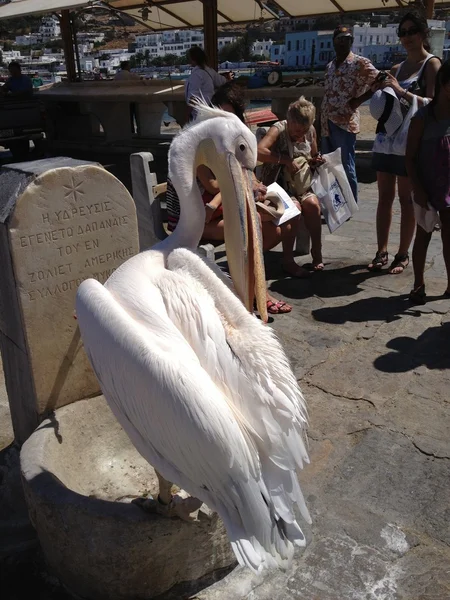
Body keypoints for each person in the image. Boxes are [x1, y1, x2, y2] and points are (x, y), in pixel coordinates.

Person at [167, 82, 304, 314]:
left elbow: (236, 179)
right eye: (221, 112)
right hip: (195, 218)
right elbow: (212, 185)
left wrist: (253, 186)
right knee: (252, 229)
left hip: (216, 209)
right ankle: (256, 292)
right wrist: (244, 186)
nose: (225, 120)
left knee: (283, 217)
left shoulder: (228, 141)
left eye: (230, 114)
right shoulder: (199, 142)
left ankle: (266, 274)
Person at [368, 12, 440, 275]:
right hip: (387, 139)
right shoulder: (396, 68)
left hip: (411, 144)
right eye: (402, 32)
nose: (406, 37)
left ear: (422, 33)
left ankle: (402, 253)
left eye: (411, 31)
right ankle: (381, 250)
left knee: (406, 199)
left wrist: (401, 91)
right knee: (384, 197)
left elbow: (435, 104)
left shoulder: (432, 65)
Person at [257, 96, 325, 272]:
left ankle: (317, 253)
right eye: (296, 131)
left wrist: (315, 160)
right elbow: (259, 152)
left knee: (313, 205)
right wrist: (284, 160)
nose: (299, 135)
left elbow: (313, 154)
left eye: (303, 131)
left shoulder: (310, 131)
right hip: (278, 183)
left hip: (301, 183)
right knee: (294, 209)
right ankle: (288, 261)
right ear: (289, 121)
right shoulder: (279, 128)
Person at [406, 60, 450, 304]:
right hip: (427, 185)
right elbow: (410, 158)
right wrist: (418, 189)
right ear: (444, 85)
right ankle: (418, 284)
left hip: (449, 186)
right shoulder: (423, 118)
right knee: (423, 236)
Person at [321, 25, 379, 203]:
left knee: (346, 165)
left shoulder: (359, 63)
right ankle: (336, 203)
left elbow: (380, 80)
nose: (344, 43)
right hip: (326, 121)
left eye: (348, 39)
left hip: (345, 123)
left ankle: (351, 202)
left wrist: (359, 100)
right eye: (340, 39)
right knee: (329, 165)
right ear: (334, 42)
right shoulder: (330, 65)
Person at [185, 46, 232, 120]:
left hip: (200, 114)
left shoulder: (196, 75)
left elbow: (193, 98)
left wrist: (187, 114)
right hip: (210, 110)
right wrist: (228, 77)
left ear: (193, 59)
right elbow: (223, 81)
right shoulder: (209, 71)